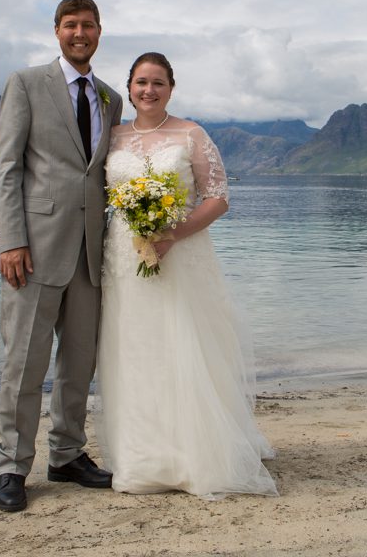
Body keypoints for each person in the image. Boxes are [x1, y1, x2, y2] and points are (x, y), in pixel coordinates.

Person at [95, 52, 277, 499]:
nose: (148, 91)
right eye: (140, 82)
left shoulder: (191, 134)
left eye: (158, 83)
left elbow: (217, 197)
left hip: (179, 254)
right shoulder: (111, 136)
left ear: (171, 88)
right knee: (133, 349)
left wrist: (172, 234)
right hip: (124, 257)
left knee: (180, 344)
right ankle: (142, 455)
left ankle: (193, 452)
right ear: (130, 87)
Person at [0, 0, 124, 513]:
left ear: (99, 32)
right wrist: (12, 240)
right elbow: (7, 169)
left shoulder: (111, 98)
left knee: (78, 363)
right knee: (23, 364)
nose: (80, 33)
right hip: (34, 250)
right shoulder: (25, 85)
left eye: (88, 25)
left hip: (92, 255)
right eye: (71, 25)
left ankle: (67, 454)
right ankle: (12, 467)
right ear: (56, 31)